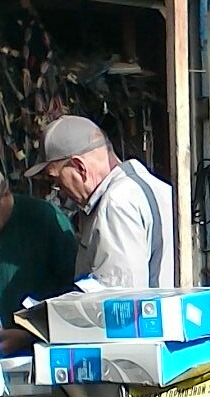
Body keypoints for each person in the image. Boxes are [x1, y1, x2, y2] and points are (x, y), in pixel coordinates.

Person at [25, 115, 174, 288]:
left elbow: (119, 296)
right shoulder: (156, 187)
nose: (60, 192)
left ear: (80, 167)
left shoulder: (116, 204)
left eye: (57, 181)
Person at [0, 162, 78, 355]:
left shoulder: (44, 220)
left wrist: (30, 334)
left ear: (5, 195)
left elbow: (76, 294)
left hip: (39, 353)